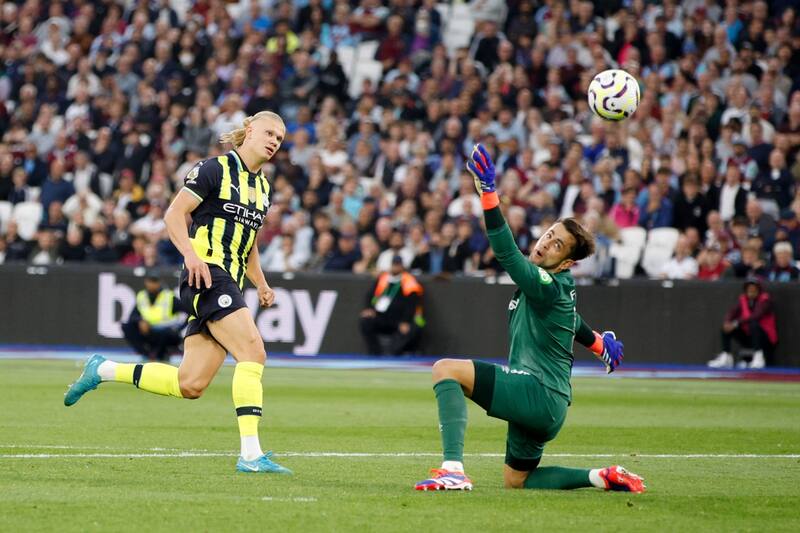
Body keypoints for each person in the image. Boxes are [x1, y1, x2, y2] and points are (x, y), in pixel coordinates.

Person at [64, 110, 292, 474]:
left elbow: (248, 244)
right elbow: (174, 214)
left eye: (279, 139)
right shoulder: (214, 169)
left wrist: (261, 283)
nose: (273, 142)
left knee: (190, 384)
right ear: (249, 130)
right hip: (207, 274)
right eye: (269, 133)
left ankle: (103, 369)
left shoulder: (263, 188)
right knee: (253, 351)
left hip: (229, 281)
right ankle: (251, 455)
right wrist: (191, 255)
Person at [414, 145, 644, 492]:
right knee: (517, 481)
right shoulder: (559, 287)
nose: (547, 243)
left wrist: (489, 195)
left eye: (558, 245)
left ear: (567, 262)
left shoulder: (546, 283)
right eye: (550, 234)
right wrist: (599, 345)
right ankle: (601, 476)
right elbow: (573, 322)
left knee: (445, 370)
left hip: (538, 392)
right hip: (551, 407)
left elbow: (507, 254)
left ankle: (453, 471)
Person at [359, 255, 424, 355]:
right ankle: (375, 352)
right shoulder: (383, 278)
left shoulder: (409, 281)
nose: (395, 267)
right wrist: (369, 308)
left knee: (413, 329)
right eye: (394, 264)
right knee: (365, 321)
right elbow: (370, 295)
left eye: (398, 265)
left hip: (399, 319)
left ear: (402, 266)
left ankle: (395, 353)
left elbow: (412, 303)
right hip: (382, 317)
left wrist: (405, 321)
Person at [708, 279, 777, 370]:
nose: (751, 292)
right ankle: (726, 356)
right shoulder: (743, 299)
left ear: (759, 290)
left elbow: (755, 316)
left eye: (754, 290)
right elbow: (733, 312)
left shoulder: (765, 300)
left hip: (765, 338)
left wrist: (736, 323)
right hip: (749, 338)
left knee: (753, 324)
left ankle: (758, 357)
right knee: (726, 327)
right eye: (749, 290)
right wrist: (727, 322)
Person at [121, 270, 186, 361]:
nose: (152, 284)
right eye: (150, 281)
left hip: (167, 334)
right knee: (127, 326)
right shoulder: (142, 296)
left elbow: (189, 312)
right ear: (146, 282)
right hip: (149, 331)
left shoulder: (169, 297)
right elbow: (132, 316)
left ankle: (161, 354)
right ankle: (147, 355)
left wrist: (179, 329)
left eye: (155, 281)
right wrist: (140, 320)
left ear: (159, 283)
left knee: (166, 333)